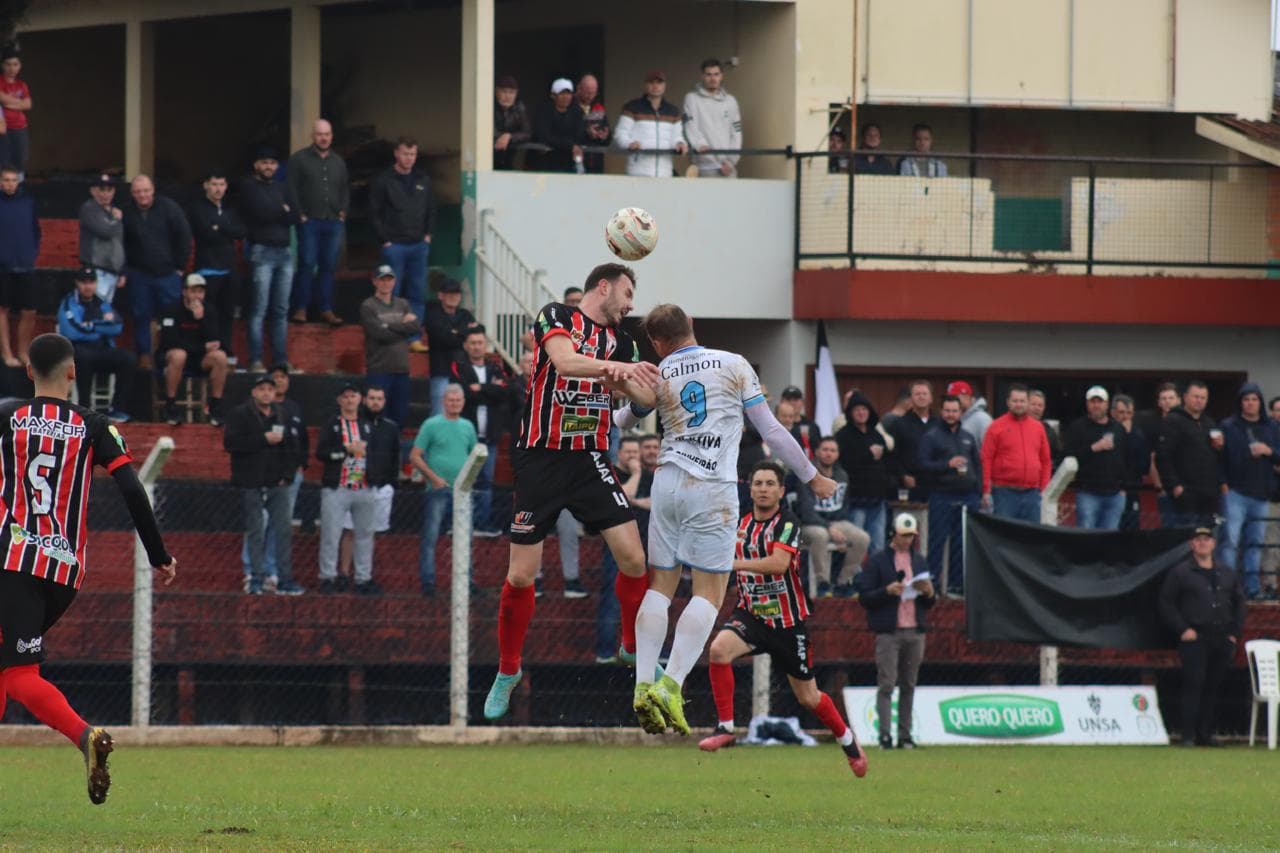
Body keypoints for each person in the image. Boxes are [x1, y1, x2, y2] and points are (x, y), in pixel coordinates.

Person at [620, 303, 836, 736]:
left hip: (666, 482)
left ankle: (643, 683)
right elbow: (772, 431)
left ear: (658, 343)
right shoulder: (734, 365)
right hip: (712, 488)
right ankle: (670, 685)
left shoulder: (660, 373)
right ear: (692, 327)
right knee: (710, 590)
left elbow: (624, 420)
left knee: (661, 586)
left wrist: (629, 387)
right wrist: (812, 477)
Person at [0, 333, 175, 805]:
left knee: (17, 675)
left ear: (28, 372)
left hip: (12, 560)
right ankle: (86, 739)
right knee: (7, 668)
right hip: (63, 572)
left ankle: (84, 736)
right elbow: (134, 491)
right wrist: (158, 555)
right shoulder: (96, 426)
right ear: (74, 371)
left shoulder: (8, 415)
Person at [483, 263, 661, 721]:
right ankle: (508, 670)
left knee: (634, 559)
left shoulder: (622, 340)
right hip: (541, 459)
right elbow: (564, 362)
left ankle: (629, 646)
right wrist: (616, 369)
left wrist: (635, 388)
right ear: (603, 286)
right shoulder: (556, 315)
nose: (630, 304)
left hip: (589, 459)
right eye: (626, 292)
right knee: (522, 576)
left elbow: (643, 402)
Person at [698, 459, 868, 776]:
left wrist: (730, 565)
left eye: (769, 484)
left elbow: (777, 564)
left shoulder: (788, 523)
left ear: (781, 491)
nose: (763, 489)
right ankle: (725, 727)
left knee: (808, 697)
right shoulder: (740, 523)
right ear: (749, 489)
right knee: (718, 650)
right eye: (758, 483)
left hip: (788, 625)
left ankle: (848, 742)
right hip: (751, 615)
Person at [1158, 526, 1245, 747]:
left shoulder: (1226, 572)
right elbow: (1166, 602)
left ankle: (1205, 733)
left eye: (1206, 539)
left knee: (1213, 686)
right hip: (1195, 637)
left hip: (1221, 637)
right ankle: (1188, 735)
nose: (1202, 543)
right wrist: (1182, 629)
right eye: (1198, 540)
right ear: (1191, 544)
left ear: (1213, 544)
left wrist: (1234, 634)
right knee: (1193, 684)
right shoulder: (1181, 572)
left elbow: (1239, 603)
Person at [855, 513, 935, 750]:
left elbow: (930, 602)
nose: (908, 540)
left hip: (914, 629)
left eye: (911, 536)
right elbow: (865, 596)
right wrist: (886, 591)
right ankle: (885, 735)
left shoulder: (919, 561)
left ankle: (905, 734)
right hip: (889, 631)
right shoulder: (878, 561)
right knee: (887, 684)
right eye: (904, 535)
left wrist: (929, 592)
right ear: (894, 535)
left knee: (909, 684)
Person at [225, 373, 303, 596]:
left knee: (282, 530)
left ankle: (284, 578)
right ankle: (256, 578)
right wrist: (263, 439)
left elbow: (293, 447)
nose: (266, 392)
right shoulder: (240, 414)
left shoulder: (283, 414)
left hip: (277, 482)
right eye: (262, 389)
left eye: (270, 389)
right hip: (251, 481)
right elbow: (231, 443)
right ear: (254, 392)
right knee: (256, 530)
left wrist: (287, 476)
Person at [411, 384, 478, 597]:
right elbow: (415, 455)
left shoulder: (468, 426)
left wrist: (468, 482)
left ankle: (466, 583)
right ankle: (428, 582)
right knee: (431, 537)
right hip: (437, 489)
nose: (454, 404)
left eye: (458, 401)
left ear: (463, 403)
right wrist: (434, 478)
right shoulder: (431, 425)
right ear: (443, 402)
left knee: (464, 539)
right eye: (451, 400)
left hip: (463, 493)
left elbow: (474, 457)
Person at [369, 136, 434, 350]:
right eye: (405, 153)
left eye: (413, 154)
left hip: (418, 245)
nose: (409, 158)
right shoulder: (384, 179)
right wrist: (384, 240)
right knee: (391, 293)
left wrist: (428, 235)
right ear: (397, 153)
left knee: (417, 293)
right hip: (394, 246)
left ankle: (413, 338)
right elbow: (374, 211)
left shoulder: (423, 179)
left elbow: (432, 209)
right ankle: (393, 337)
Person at [122, 174, 191, 368]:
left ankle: (169, 355)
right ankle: (144, 356)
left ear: (153, 190)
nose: (142, 195)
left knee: (171, 317)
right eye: (137, 192)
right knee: (141, 316)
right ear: (132, 193)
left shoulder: (170, 208)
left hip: (168, 274)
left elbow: (184, 236)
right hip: (139, 274)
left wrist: (179, 267)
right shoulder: (126, 212)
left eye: (145, 190)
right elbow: (122, 244)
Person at [239, 146, 299, 371]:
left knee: (281, 310)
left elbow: (295, 215)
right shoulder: (248, 186)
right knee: (259, 309)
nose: (269, 167)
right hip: (261, 251)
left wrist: (281, 210)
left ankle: (280, 360)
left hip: (284, 253)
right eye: (264, 162)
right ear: (256, 164)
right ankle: (255, 359)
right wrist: (281, 209)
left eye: (273, 163)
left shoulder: (283, 186)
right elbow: (259, 212)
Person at [1218, 381, 1279, 599]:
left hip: (1262, 494)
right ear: (1240, 402)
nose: (1250, 403)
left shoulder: (1271, 427)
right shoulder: (1228, 425)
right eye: (1246, 399)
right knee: (1230, 542)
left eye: (1254, 399)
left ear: (1260, 403)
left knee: (1255, 544)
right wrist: (1223, 485)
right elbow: (1219, 458)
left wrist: (1269, 450)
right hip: (1235, 492)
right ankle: (1227, 589)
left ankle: (1252, 588)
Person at [451, 325, 513, 534]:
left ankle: (482, 523)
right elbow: (462, 394)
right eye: (473, 343)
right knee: (464, 480)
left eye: (480, 343)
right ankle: (461, 524)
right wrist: (490, 390)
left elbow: (505, 392)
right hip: (466, 437)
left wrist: (481, 388)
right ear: (465, 346)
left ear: (485, 345)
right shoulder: (458, 367)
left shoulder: (496, 367)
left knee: (486, 481)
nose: (477, 347)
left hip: (490, 436)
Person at [316, 383, 377, 594]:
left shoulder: (367, 425)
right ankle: (327, 577)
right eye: (346, 397)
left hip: (364, 486)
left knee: (365, 534)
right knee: (331, 534)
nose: (350, 400)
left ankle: (363, 578)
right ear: (339, 401)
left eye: (354, 396)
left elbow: (378, 452)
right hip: (337, 486)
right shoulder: (331, 424)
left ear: (360, 399)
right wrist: (344, 450)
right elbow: (321, 453)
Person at [337, 384, 398, 595]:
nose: (375, 402)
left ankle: (365, 576)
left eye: (379, 399)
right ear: (365, 400)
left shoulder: (391, 427)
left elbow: (394, 456)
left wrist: (389, 482)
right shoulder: (357, 424)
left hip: (381, 487)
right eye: (372, 398)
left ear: (384, 402)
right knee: (349, 531)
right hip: (355, 484)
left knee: (372, 533)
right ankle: (344, 574)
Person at [918, 395, 982, 593]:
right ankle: (934, 585)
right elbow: (922, 465)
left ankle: (956, 586)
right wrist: (947, 464)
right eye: (947, 410)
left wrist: (978, 493)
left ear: (960, 412)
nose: (951, 414)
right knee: (937, 542)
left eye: (954, 411)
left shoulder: (968, 436)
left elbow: (977, 466)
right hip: (941, 496)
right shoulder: (931, 436)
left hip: (967, 497)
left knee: (961, 544)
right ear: (941, 411)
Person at [288, 119, 348, 327]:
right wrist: (300, 214)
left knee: (329, 267)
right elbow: (291, 189)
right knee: (306, 264)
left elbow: (344, 188)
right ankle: (301, 308)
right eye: (320, 134)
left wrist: (343, 211)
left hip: (333, 221)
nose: (324, 138)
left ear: (331, 136)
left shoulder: (338, 162)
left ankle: (325, 309)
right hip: (309, 221)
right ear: (313, 136)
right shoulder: (299, 159)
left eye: (328, 134)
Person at [57, 266, 133, 422]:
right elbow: (71, 331)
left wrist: (91, 326)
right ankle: (84, 408)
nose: (87, 286)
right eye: (84, 282)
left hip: (102, 350)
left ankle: (117, 409)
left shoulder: (103, 303)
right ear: (77, 283)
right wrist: (101, 327)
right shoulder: (68, 302)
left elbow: (117, 326)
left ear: (96, 284)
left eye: (91, 282)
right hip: (77, 351)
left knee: (128, 358)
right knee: (84, 358)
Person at [797, 437, 870, 598]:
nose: (828, 454)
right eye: (825, 450)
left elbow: (843, 507)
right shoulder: (807, 475)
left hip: (835, 522)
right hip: (809, 524)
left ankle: (844, 583)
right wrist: (829, 528)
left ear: (837, 454)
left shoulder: (842, 475)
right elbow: (806, 511)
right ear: (816, 452)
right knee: (820, 535)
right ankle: (822, 584)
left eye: (832, 450)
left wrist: (837, 529)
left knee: (861, 538)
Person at [188, 168, 246, 360]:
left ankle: (226, 349)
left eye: (221, 184)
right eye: (214, 184)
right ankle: (209, 349)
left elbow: (240, 231)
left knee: (228, 312)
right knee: (208, 312)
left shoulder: (231, 209)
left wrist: (219, 226)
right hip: (208, 269)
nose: (218, 189)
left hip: (229, 269)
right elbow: (205, 233)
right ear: (206, 185)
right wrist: (224, 228)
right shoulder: (197, 207)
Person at [156, 275, 228, 427]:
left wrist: (201, 320)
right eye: (193, 291)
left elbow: (215, 341)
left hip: (199, 359)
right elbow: (170, 341)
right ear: (185, 291)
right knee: (179, 355)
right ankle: (170, 404)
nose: (197, 296)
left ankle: (215, 405)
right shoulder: (171, 309)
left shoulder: (209, 310)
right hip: (172, 357)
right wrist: (201, 347)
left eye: (200, 292)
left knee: (220, 357)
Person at [1155, 380, 1223, 528]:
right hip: (1185, 493)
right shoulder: (1173, 420)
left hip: (1208, 494)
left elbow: (1218, 458)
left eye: (1203, 397)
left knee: (1207, 537)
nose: (1199, 401)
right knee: (1184, 539)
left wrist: (1220, 447)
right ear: (1185, 397)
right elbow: (1163, 457)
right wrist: (1175, 487)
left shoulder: (1209, 423)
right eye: (1195, 396)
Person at [359, 264, 419, 428]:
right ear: (374, 282)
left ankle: (395, 452)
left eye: (389, 279)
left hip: (401, 370)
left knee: (399, 417)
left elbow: (415, 328)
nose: (386, 283)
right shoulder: (368, 305)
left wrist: (389, 326)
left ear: (394, 282)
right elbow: (380, 335)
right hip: (379, 370)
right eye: (382, 280)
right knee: (376, 417)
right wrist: (402, 325)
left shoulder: (403, 303)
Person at [981, 383, 1050, 523]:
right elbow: (986, 459)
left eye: (1022, 401)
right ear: (1008, 402)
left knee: (1030, 537)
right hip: (1004, 492)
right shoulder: (995, 427)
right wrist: (986, 490)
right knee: (1004, 537)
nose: (1019, 404)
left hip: (1032, 493)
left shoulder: (1038, 428)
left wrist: (1043, 488)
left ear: (1028, 403)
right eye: (1015, 401)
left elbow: (1045, 460)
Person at [1063, 386, 1128, 530]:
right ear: (1087, 404)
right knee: (1086, 535)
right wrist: (1093, 448)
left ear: (1107, 404)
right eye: (1093, 402)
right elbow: (1068, 458)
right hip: (1088, 492)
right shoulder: (1077, 428)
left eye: (1100, 402)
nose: (1096, 405)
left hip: (1115, 493)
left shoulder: (1118, 428)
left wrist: (1124, 488)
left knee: (1109, 537)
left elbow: (1127, 459)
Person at [835, 391, 892, 556]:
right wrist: (868, 455)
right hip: (855, 499)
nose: (861, 413)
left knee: (878, 543)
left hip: (878, 498)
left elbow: (886, 462)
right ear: (850, 413)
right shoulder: (842, 436)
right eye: (857, 409)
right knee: (857, 543)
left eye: (864, 409)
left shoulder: (877, 434)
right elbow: (842, 465)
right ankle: (855, 578)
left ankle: (877, 579)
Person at [614, 70, 688, 177]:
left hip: (665, 173)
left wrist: (680, 144)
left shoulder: (673, 111)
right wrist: (629, 144)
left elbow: (676, 137)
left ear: (664, 86)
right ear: (645, 85)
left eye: (659, 82)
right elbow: (620, 133)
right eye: (651, 82)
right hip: (637, 172)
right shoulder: (632, 107)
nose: (655, 86)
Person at [0, 163, 38, 366]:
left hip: (25, 263)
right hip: (2, 266)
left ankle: (23, 352)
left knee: (29, 310)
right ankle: (7, 354)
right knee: (2, 309)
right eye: (6, 180)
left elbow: (35, 230)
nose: (10, 184)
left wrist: (32, 253)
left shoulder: (28, 202)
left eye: (13, 180)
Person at [423, 277, 477, 416]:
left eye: (456, 294)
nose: (453, 297)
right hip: (441, 371)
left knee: (464, 413)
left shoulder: (465, 314)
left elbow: (478, 331)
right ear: (440, 295)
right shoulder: (433, 314)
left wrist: (456, 333)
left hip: (463, 372)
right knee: (439, 412)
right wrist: (463, 333)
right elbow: (442, 338)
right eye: (449, 293)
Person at [683, 58, 742, 178]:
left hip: (728, 169)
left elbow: (736, 133)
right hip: (704, 168)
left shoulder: (731, 101)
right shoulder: (692, 99)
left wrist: (731, 162)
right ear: (702, 76)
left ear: (722, 76)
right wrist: (700, 145)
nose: (713, 78)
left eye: (716, 74)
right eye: (708, 74)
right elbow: (689, 126)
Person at [888, 379, 939, 502]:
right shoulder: (899, 424)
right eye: (917, 394)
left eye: (924, 394)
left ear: (931, 398)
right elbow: (892, 455)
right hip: (910, 484)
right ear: (911, 398)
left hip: (937, 485)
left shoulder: (940, 425)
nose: (921, 397)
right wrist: (903, 475)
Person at [77, 173, 126, 302]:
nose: (105, 194)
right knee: (95, 311)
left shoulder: (114, 210)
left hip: (112, 271)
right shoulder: (89, 208)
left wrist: (121, 270)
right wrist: (116, 220)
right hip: (96, 272)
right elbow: (105, 231)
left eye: (109, 190)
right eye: (101, 190)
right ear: (93, 191)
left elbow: (119, 243)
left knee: (104, 312)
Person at [1110, 393, 1150, 531]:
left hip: (1132, 489)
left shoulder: (1138, 435)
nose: (1125, 416)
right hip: (1111, 490)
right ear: (1113, 413)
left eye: (1129, 413)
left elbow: (1144, 465)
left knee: (1132, 529)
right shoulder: (1106, 433)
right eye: (1121, 412)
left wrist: (1128, 436)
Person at [532, 78, 585, 173]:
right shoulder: (544, 111)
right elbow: (545, 135)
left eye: (568, 93)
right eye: (562, 93)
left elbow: (579, 135)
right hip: (548, 164)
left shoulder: (577, 112)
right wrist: (570, 145)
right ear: (553, 95)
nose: (566, 97)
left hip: (570, 163)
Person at [0, 49, 31, 178]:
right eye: (8, 64)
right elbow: (3, 100)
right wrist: (19, 103)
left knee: (20, 160)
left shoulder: (21, 84)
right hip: (3, 128)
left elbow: (28, 105)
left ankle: (18, 191)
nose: (12, 68)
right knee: (4, 161)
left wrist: (8, 103)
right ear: (2, 65)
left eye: (15, 64)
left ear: (20, 66)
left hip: (20, 127)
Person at [493, 75, 532, 171]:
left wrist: (510, 136)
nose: (508, 96)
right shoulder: (488, 105)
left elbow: (527, 132)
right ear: (496, 91)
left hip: (508, 162)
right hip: (486, 161)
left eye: (512, 93)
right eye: (504, 91)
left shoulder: (519, 108)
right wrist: (501, 137)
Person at [575, 74, 610, 174]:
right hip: (575, 161)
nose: (590, 96)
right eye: (587, 92)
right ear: (579, 88)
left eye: (593, 93)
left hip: (596, 163)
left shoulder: (598, 108)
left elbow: (608, 137)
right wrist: (587, 131)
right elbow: (567, 131)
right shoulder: (570, 106)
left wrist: (605, 135)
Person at [948, 380, 991, 448]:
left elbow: (989, 450)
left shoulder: (982, 419)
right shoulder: (955, 417)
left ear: (967, 397)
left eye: (955, 398)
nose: (952, 401)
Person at [1028, 389, 1063, 467]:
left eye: (1040, 405)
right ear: (1026, 404)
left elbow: (1058, 455)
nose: (1037, 408)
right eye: (1033, 404)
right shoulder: (1016, 427)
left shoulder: (1049, 431)